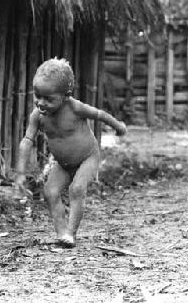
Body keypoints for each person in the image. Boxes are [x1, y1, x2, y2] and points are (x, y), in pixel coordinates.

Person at [14, 58, 126, 248]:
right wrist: (20, 173)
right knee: (50, 192)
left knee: (77, 189)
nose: (41, 103)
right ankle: (61, 233)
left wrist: (118, 126)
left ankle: (71, 233)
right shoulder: (38, 116)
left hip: (87, 157)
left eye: (49, 99)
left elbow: (99, 114)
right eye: (37, 95)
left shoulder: (74, 107)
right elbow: (26, 142)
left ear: (65, 95)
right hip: (63, 164)